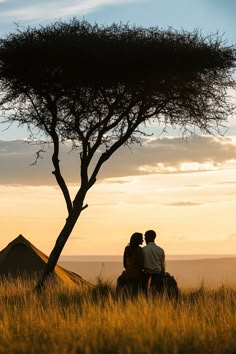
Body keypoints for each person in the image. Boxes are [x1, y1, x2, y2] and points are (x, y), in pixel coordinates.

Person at [142, 229, 165, 294]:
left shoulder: (143, 249)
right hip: (158, 274)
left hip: (146, 274)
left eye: (145, 238)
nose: (145, 239)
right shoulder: (160, 250)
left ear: (147, 238)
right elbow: (162, 265)